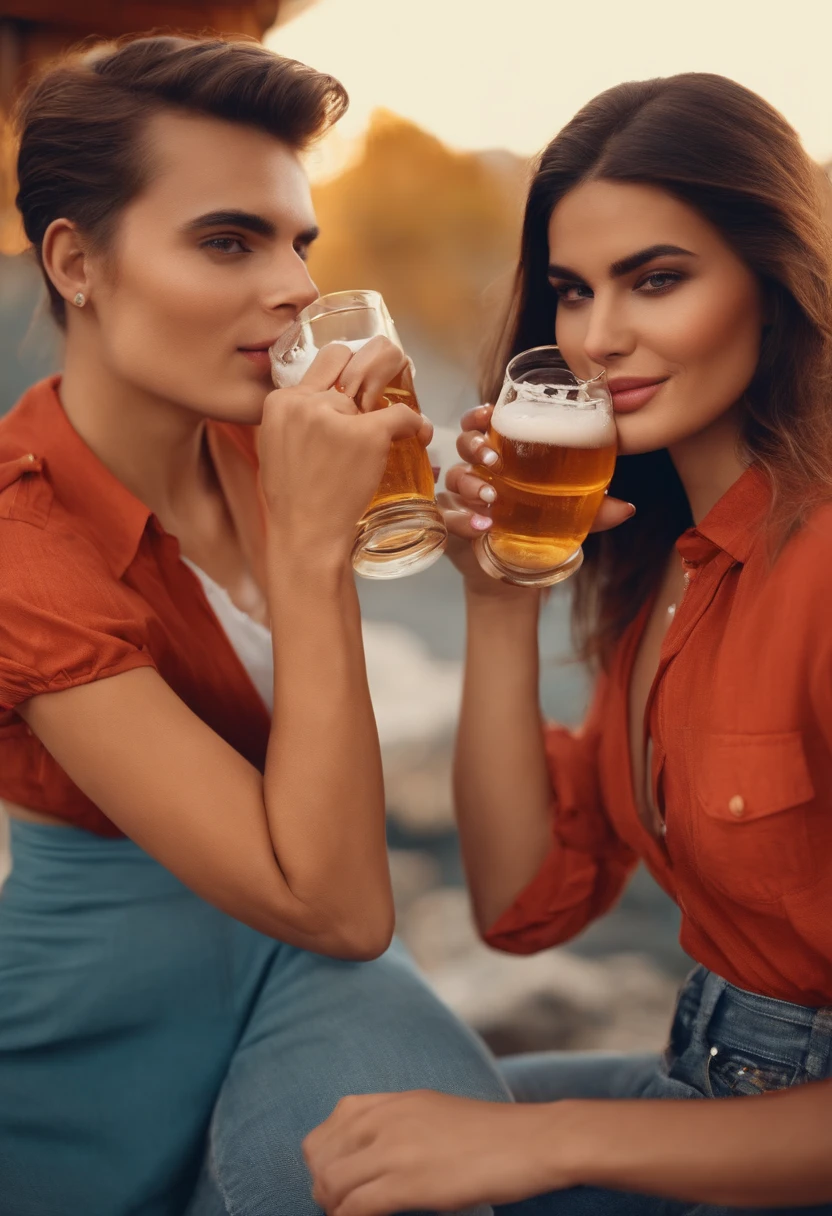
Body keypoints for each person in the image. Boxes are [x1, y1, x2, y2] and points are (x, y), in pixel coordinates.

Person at [0, 34, 513, 1216]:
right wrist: (317, 547)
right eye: (227, 240)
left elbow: (337, 922)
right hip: (98, 1026)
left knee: (419, 1189)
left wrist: (480, 564)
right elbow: (340, 900)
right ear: (76, 261)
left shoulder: (266, 428)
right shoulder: (23, 542)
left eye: (297, 242)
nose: (290, 285)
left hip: (311, 967)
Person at [303, 73, 832, 1215]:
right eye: (569, 289)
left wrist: (542, 1143)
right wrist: (502, 602)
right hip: (705, 1086)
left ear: (772, 277)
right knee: (345, 1144)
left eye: (657, 279)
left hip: (790, 1144)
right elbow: (519, 902)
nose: (597, 338)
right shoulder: (665, 573)